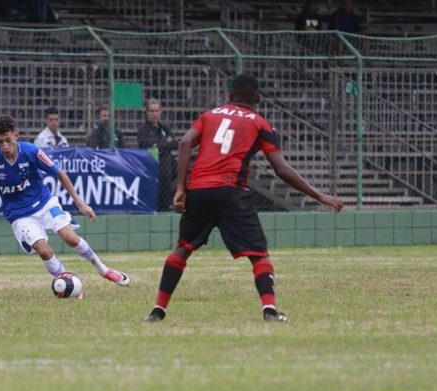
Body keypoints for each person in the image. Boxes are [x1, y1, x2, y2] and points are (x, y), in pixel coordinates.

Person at [144, 74, 344, 323]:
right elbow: (281, 169)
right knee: (259, 255)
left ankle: (158, 310)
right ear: (258, 98)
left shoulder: (209, 115)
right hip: (232, 191)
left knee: (183, 248)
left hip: (200, 189)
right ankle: (269, 310)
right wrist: (321, 195)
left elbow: (185, 143)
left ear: (230, 96)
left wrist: (181, 188)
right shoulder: (261, 124)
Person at [0, 115, 130, 290]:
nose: (5, 146)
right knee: (44, 251)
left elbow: (60, 173)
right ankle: (68, 283)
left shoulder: (31, 151)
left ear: (16, 135)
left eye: (8, 140)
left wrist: (80, 203)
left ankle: (104, 270)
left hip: (45, 203)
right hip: (19, 215)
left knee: (70, 238)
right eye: (0, 142)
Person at [136, 98, 177, 212]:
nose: (154, 114)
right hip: (150, 166)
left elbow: (174, 143)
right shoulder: (143, 129)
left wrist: (160, 145)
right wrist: (165, 142)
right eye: (152, 111)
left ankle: (165, 207)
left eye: (156, 111)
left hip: (165, 165)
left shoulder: (164, 128)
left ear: (160, 112)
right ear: (147, 112)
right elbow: (147, 144)